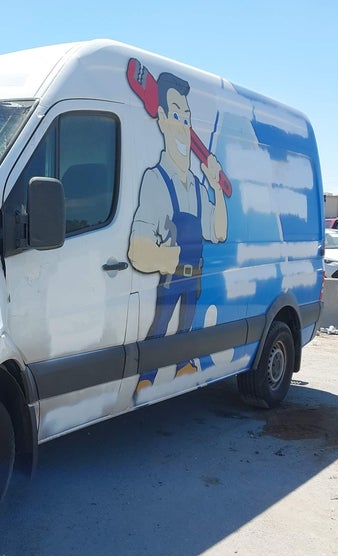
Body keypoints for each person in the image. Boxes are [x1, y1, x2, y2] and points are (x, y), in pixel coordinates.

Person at [128, 71, 228, 389]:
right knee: (160, 328)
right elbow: (137, 249)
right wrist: (169, 258)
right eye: (176, 116)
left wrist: (215, 188)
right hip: (172, 275)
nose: (184, 128)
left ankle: (184, 365)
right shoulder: (156, 181)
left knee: (185, 329)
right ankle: (146, 377)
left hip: (195, 276)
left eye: (187, 119)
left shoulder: (199, 189)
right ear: (160, 118)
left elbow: (219, 232)